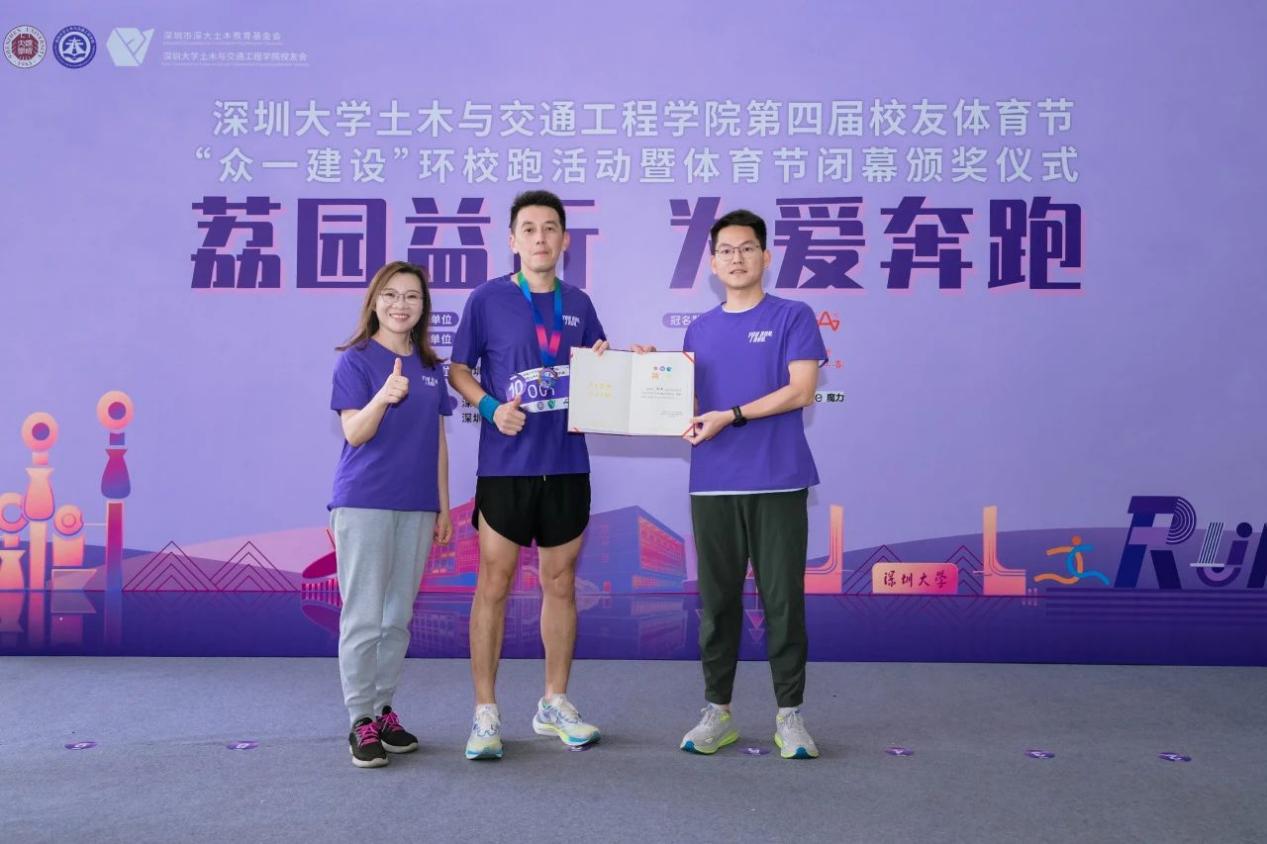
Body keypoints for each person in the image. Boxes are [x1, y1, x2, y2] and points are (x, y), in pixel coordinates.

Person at [448, 190, 651, 759]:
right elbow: (459, 369)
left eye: (550, 229)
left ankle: (554, 702)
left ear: (564, 240)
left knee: (560, 584)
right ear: (513, 240)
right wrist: (491, 408)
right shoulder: (487, 299)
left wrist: (628, 367)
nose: (540, 238)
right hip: (505, 466)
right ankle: (485, 712)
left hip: (566, 464)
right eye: (530, 229)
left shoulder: (579, 302)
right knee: (494, 585)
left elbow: (597, 371)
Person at [679, 209, 827, 760]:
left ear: (766, 257)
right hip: (713, 484)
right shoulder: (698, 330)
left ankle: (790, 716)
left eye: (746, 248)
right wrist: (648, 374)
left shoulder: (793, 315)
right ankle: (717, 713)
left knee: (783, 602)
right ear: (713, 264)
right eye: (726, 250)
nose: (736, 258)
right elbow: (688, 405)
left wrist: (733, 415)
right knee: (718, 605)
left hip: (777, 480)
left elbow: (801, 390)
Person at [329, 260, 453, 768]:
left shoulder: (430, 367)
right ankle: (359, 717)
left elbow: (438, 443)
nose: (401, 304)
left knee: (396, 617)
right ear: (375, 302)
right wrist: (383, 396)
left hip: (417, 506)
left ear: (424, 307)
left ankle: (382, 709)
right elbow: (354, 432)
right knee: (363, 616)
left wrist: (443, 507)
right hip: (364, 501)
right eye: (391, 295)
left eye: (412, 296)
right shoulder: (356, 361)